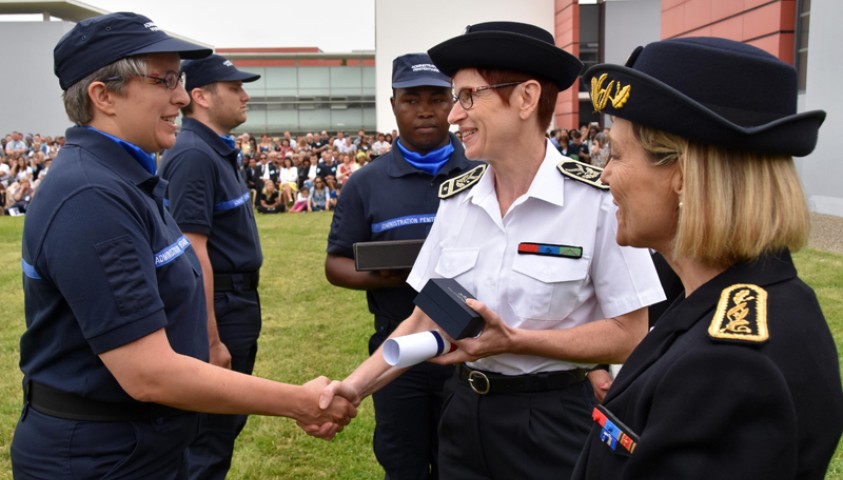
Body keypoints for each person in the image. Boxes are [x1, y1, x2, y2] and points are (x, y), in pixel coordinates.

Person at [10, 13, 354, 479]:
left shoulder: (124, 180)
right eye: (165, 79)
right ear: (103, 95)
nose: (179, 96)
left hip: (138, 442)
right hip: (101, 455)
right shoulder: (92, 196)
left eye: (181, 79)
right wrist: (299, 401)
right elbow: (147, 371)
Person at [317, 22, 664, 479]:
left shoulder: (595, 201)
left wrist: (518, 342)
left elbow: (631, 334)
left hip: (553, 422)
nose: (452, 115)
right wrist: (353, 387)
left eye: (467, 96)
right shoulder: (459, 200)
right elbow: (423, 318)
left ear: (524, 98)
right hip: (464, 415)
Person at [572, 37, 843, 479]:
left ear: (682, 177)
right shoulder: (747, 299)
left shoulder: (729, 364)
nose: (603, 174)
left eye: (617, 154)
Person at [326, 52, 485, 480]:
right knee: (403, 461)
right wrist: (389, 276)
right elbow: (335, 264)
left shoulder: (483, 171)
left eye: (437, 98)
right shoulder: (366, 183)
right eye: (411, 99)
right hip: (396, 347)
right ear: (393, 103)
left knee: (463, 460)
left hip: (470, 351)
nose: (426, 110)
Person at [157, 52, 269, 479]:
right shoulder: (194, 156)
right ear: (200, 96)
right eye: (235, 87)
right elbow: (192, 252)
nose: (245, 96)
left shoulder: (213, 150)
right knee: (208, 437)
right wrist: (210, 340)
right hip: (220, 303)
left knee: (221, 430)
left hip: (235, 300)